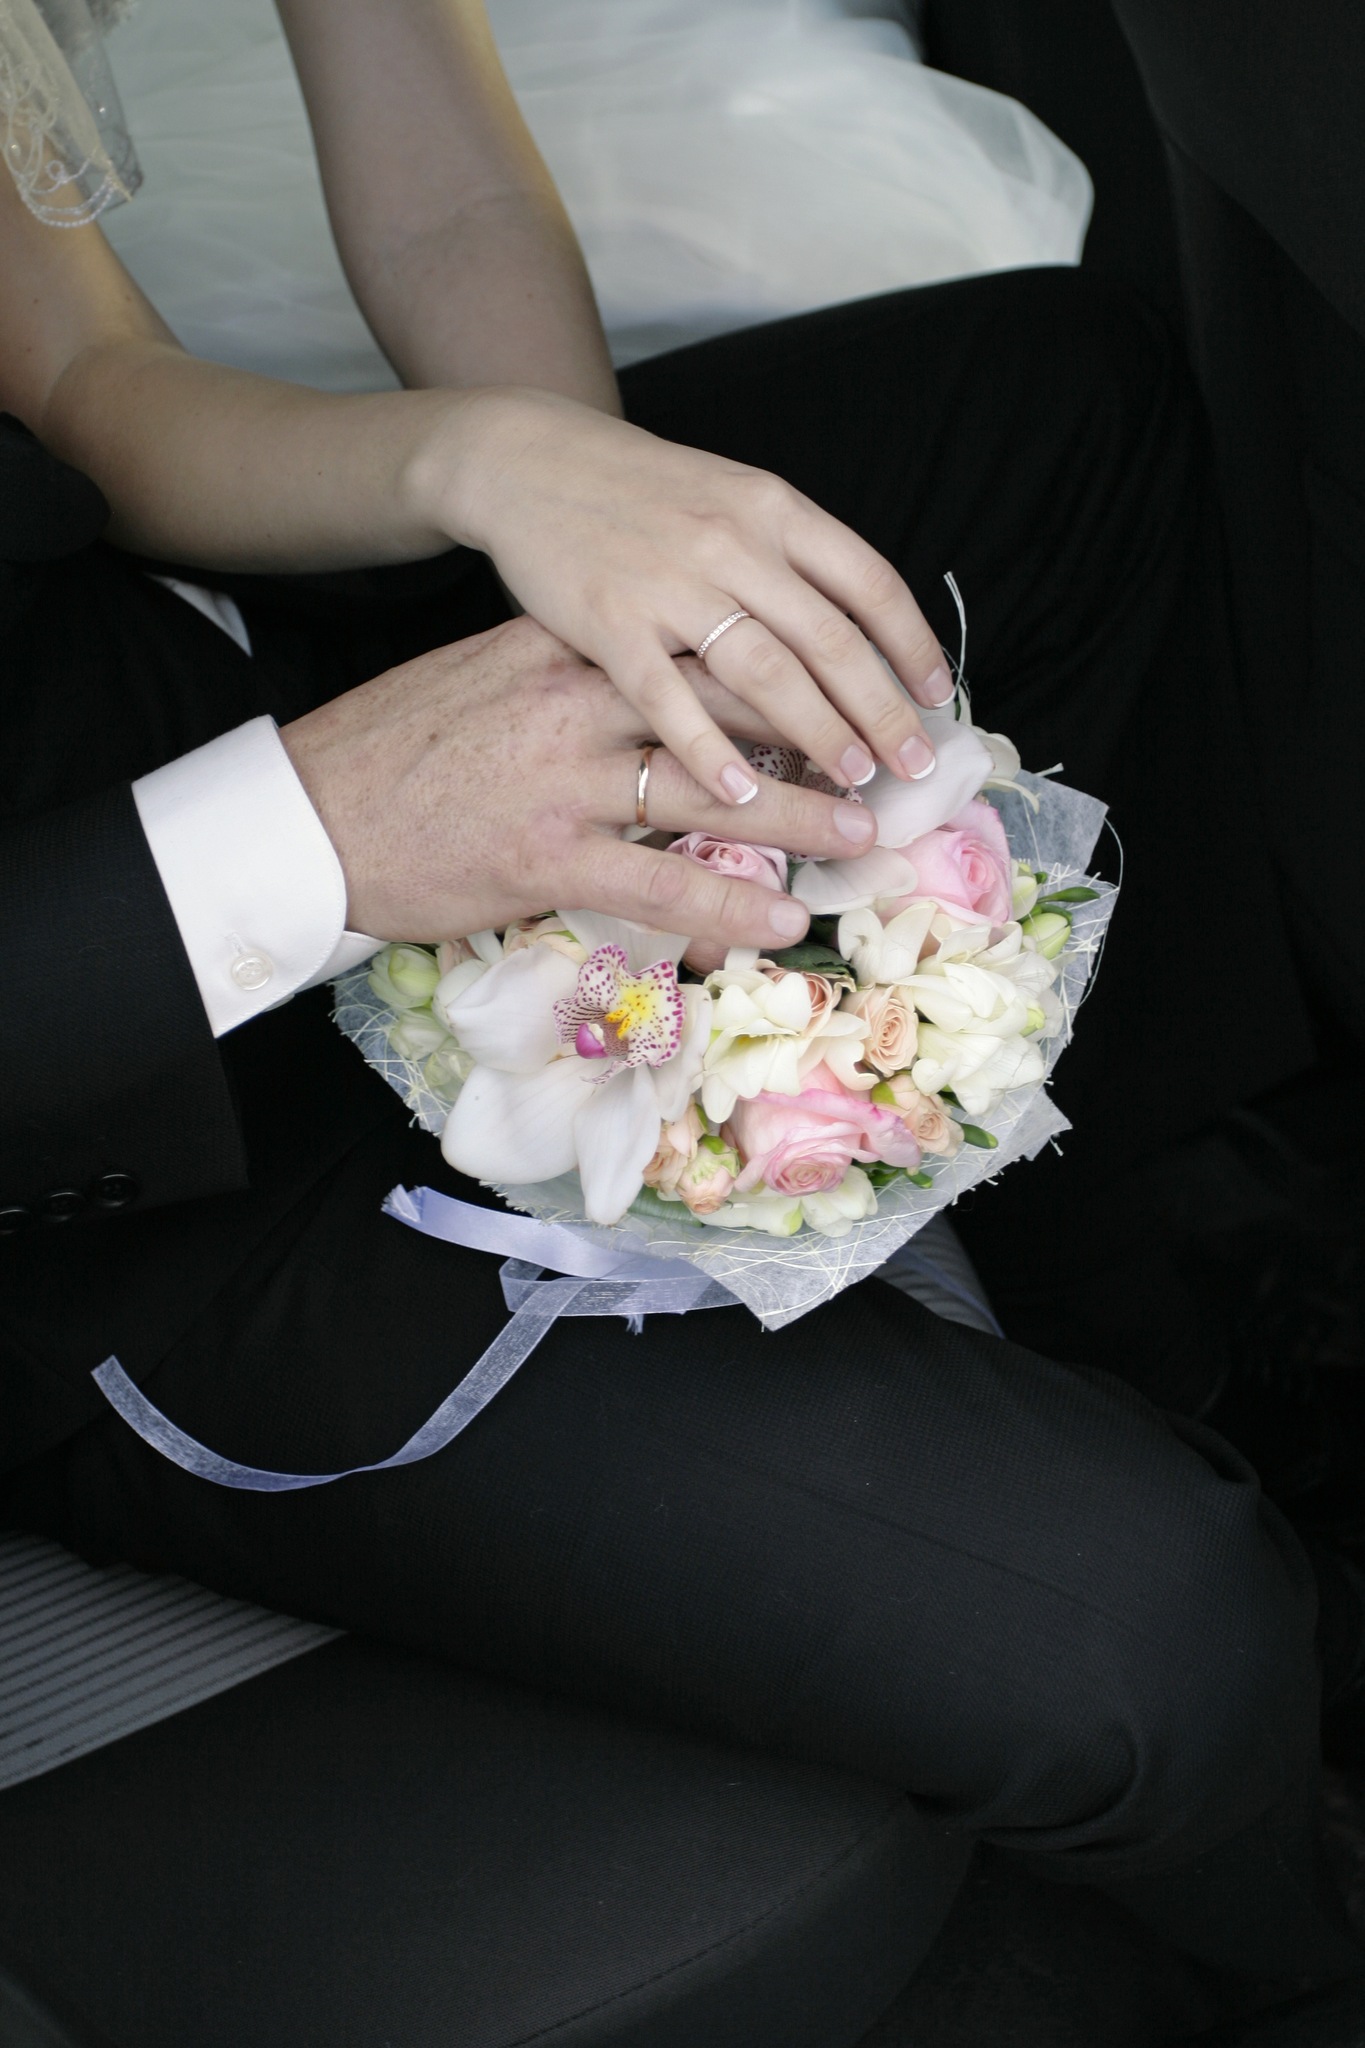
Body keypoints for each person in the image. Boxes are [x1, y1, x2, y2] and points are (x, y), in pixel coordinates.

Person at [1, 0, 1361, 2027]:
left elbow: (80, 381)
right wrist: (318, 833)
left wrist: (528, 483)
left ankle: (1142, 1302)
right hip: (84, 1130)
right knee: (1155, 1647)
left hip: (170, 680)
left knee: (1055, 413)